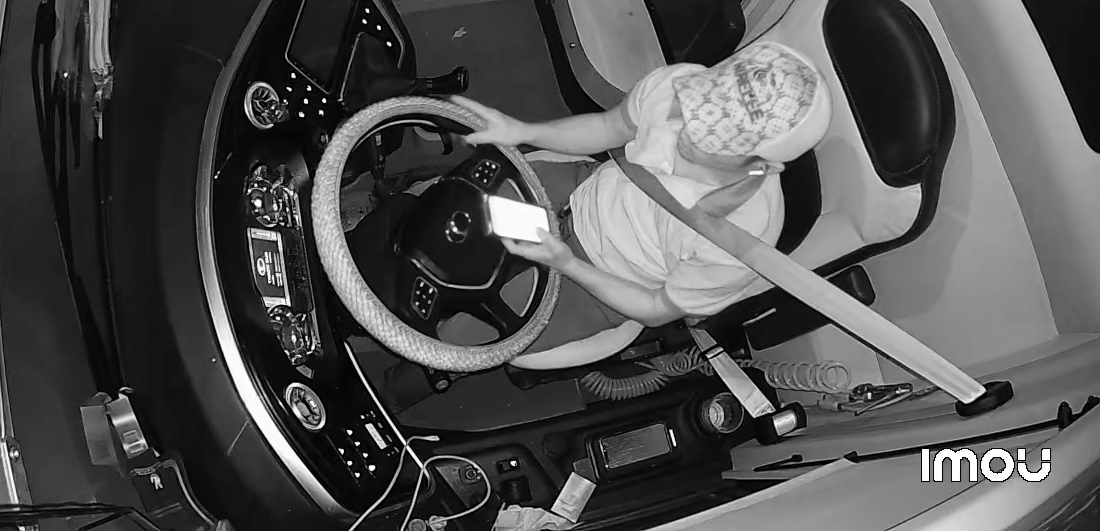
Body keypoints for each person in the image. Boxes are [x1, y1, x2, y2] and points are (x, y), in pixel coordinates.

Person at [346, 41, 833, 411]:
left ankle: (391, 387)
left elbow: (657, 310)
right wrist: (523, 131)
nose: (681, 133)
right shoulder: (678, 87)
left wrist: (566, 263)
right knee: (443, 208)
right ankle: (352, 258)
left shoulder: (742, 238)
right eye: (695, 110)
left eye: (707, 142)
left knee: (456, 334)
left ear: (762, 163)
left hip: (603, 281)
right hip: (580, 189)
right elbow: (607, 128)